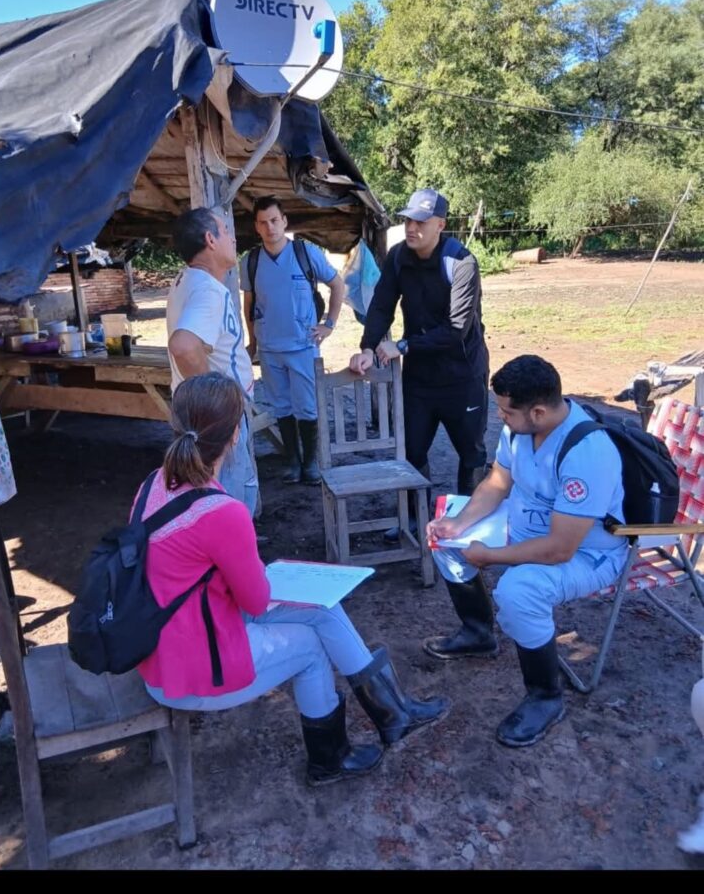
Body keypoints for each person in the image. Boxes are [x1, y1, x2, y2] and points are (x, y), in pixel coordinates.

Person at [135, 372, 450, 786]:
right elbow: (253, 600)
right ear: (234, 437)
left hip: (167, 643)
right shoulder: (220, 511)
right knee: (310, 647)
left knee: (322, 608)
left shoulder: (153, 485)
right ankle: (329, 761)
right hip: (191, 668)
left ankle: (394, 713)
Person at [424, 354, 628, 748]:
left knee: (519, 590)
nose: (499, 417)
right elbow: (499, 480)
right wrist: (459, 524)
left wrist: (490, 556)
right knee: (444, 539)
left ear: (537, 411)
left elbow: (559, 549)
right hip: (527, 526)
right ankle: (479, 632)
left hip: (588, 554)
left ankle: (545, 696)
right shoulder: (521, 429)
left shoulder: (587, 451)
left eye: (505, 411)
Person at [348, 188, 489, 539]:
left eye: (421, 221)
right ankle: (415, 519)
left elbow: (457, 330)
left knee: (471, 453)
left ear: (440, 224)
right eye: (409, 219)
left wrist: (405, 344)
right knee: (411, 450)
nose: (412, 227)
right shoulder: (398, 258)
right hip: (419, 380)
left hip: (463, 375)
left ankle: (466, 524)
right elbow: (381, 306)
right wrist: (368, 347)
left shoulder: (461, 263)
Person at [241, 196, 344, 485]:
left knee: (307, 407)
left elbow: (338, 285)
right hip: (270, 349)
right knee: (281, 407)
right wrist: (252, 341)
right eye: (263, 223)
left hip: (303, 347)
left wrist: (329, 325)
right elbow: (248, 305)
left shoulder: (306, 253)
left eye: (274, 220)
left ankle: (311, 462)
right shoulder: (250, 262)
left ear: (284, 221)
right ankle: (292, 461)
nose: (270, 227)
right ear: (256, 227)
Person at [166, 206, 258, 516]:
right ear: (210, 239)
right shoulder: (207, 290)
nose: (233, 239)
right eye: (226, 232)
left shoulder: (187, 281)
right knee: (228, 506)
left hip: (201, 416)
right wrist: (217, 400)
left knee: (207, 505)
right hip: (218, 421)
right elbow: (184, 346)